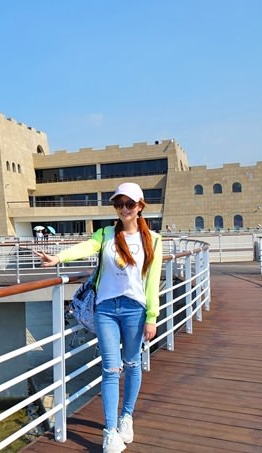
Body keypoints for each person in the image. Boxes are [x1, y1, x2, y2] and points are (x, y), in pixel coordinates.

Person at [36, 182, 162, 453]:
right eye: (119, 204)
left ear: (140, 206)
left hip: (135, 310)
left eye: (129, 204)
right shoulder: (105, 234)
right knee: (110, 367)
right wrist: (58, 258)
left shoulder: (153, 240)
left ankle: (126, 416)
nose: (124, 209)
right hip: (105, 308)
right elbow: (83, 248)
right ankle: (110, 431)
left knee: (132, 363)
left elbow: (152, 282)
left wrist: (152, 316)